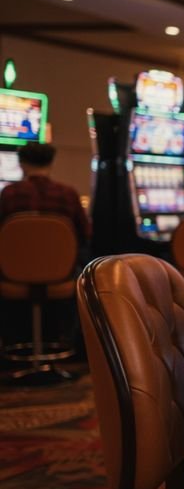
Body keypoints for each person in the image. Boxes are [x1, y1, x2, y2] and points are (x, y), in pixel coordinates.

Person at [0, 142, 92, 356]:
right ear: (51, 163)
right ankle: (65, 343)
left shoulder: (9, 194)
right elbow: (85, 234)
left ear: (22, 164)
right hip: (61, 278)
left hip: (13, 278)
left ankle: (11, 347)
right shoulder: (68, 194)